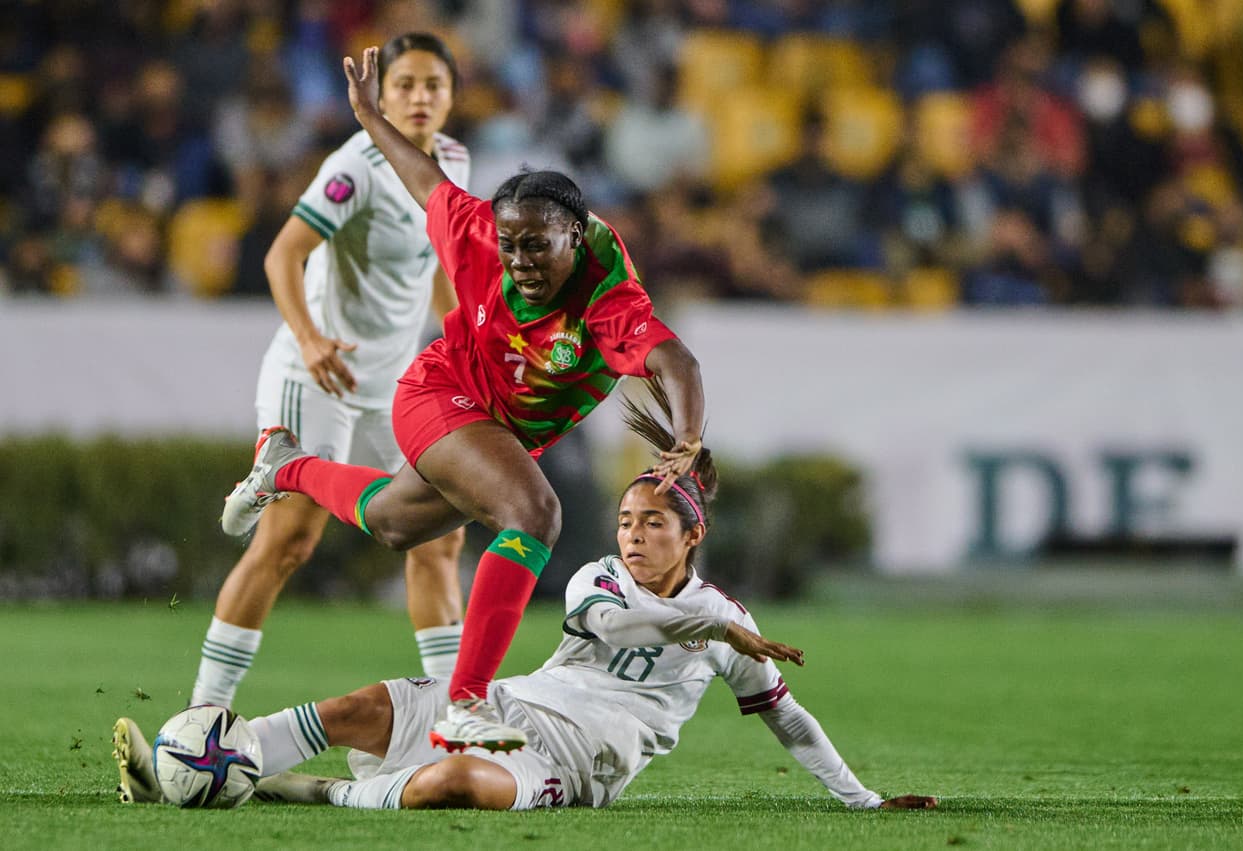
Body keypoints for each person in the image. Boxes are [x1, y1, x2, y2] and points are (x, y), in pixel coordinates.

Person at [113, 380, 936, 812]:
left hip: (572, 764)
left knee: (458, 785)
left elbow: (787, 716)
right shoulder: (599, 581)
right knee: (357, 706)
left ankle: (309, 790)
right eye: (625, 519)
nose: (633, 535)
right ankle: (198, 763)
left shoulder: (727, 625)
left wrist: (859, 798)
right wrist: (709, 622)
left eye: (653, 524)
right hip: (510, 704)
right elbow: (618, 621)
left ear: (693, 536)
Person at [216, 46, 707, 754]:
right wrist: (369, 117)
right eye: (511, 246)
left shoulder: (606, 292)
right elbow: (423, 177)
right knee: (534, 513)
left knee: (392, 522)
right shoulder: (481, 230)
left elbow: (675, 359)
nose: (520, 262)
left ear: (574, 233)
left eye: (536, 246)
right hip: (439, 393)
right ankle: (465, 702)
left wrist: (687, 439)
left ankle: (284, 465)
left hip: (496, 428)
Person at [190, 33, 471, 711]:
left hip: (390, 384)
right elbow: (283, 256)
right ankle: (203, 712)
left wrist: (467, 339)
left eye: (434, 85)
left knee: (441, 531)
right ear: (383, 92)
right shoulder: (358, 164)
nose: (419, 98)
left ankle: (458, 710)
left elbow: (437, 267)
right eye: (404, 84)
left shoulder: (455, 162)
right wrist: (311, 339)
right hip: (317, 374)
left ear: (453, 95)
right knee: (290, 539)